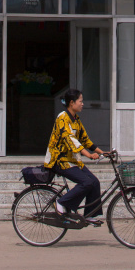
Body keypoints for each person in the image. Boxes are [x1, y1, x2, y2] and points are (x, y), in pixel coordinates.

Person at [44, 89, 104, 221]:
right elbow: (70, 140)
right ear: (72, 103)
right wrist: (89, 155)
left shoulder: (76, 119)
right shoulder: (62, 118)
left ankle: (90, 215)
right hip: (60, 160)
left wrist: (102, 152)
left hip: (72, 161)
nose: (82, 104)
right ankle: (61, 203)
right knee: (86, 182)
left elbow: (85, 140)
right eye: (80, 101)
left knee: (94, 182)